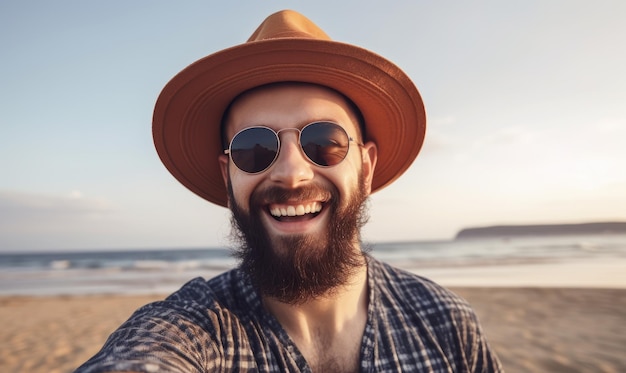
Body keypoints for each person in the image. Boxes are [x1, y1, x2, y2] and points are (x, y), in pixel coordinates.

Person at [76, 10, 502, 373]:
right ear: (228, 178)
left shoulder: (448, 325)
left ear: (366, 167)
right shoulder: (191, 330)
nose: (293, 173)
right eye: (253, 147)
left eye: (324, 142)